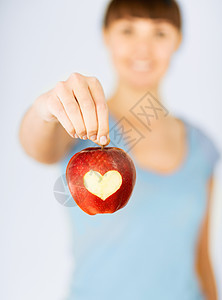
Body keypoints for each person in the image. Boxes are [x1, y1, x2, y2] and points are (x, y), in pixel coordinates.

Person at [19, 0, 221, 299]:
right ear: (106, 36)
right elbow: (36, 147)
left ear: (177, 40)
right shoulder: (77, 124)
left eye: (159, 33)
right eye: (128, 30)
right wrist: (44, 108)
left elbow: (201, 257)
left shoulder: (202, 146)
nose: (143, 48)